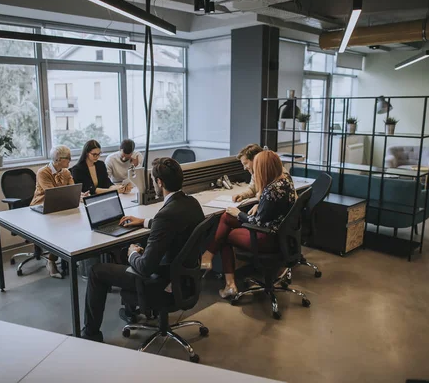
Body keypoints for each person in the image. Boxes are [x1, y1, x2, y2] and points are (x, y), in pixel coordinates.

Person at [81, 157, 205, 342]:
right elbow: (173, 224)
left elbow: (146, 267)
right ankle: (131, 310)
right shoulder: (191, 203)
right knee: (133, 249)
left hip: (161, 282)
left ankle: (90, 334)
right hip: (185, 278)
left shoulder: (166, 215)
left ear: (159, 182)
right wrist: (145, 222)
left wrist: (132, 253)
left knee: (97, 271)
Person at [201, 150, 296, 299]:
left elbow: (257, 222)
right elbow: (275, 206)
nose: (253, 171)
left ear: (263, 168)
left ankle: (229, 284)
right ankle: (209, 256)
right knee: (226, 217)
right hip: (281, 233)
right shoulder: (284, 180)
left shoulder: (271, 190)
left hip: (268, 237)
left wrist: (238, 213)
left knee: (225, 235)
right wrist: (260, 205)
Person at [30, 145, 75, 278]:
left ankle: (68, 255)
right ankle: (51, 260)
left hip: (60, 205)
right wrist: (70, 194)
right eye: (68, 158)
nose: (70, 161)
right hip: (42, 205)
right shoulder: (43, 172)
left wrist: (80, 195)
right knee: (59, 227)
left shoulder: (66, 172)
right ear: (58, 159)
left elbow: (72, 189)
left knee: (75, 221)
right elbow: (51, 194)